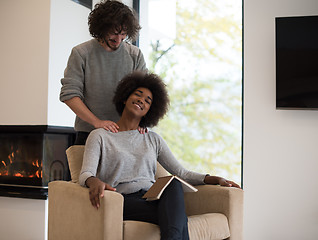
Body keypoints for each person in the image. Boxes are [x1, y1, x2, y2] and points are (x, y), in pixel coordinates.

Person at [79, 71, 241, 240]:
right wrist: (94, 181)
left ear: (149, 111)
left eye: (148, 101)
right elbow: (85, 174)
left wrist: (214, 179)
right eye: (138, 94)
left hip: (151, 199)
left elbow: (182, 173)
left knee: (174, 186)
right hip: (122, 200)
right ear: (125, 98)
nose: (142, 100)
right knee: (177, 218)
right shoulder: (100, 136)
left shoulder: (153, 139)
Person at [59, 0, 147, 145]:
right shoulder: (81, 53)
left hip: (126, 134)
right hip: (88, 134)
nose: (118, 40)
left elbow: (145, 93)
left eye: (123, 34)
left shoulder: (135, 55)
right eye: (114, 33)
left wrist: (143, 120)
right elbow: (69, 94)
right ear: (102, 28)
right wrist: (97, 122)